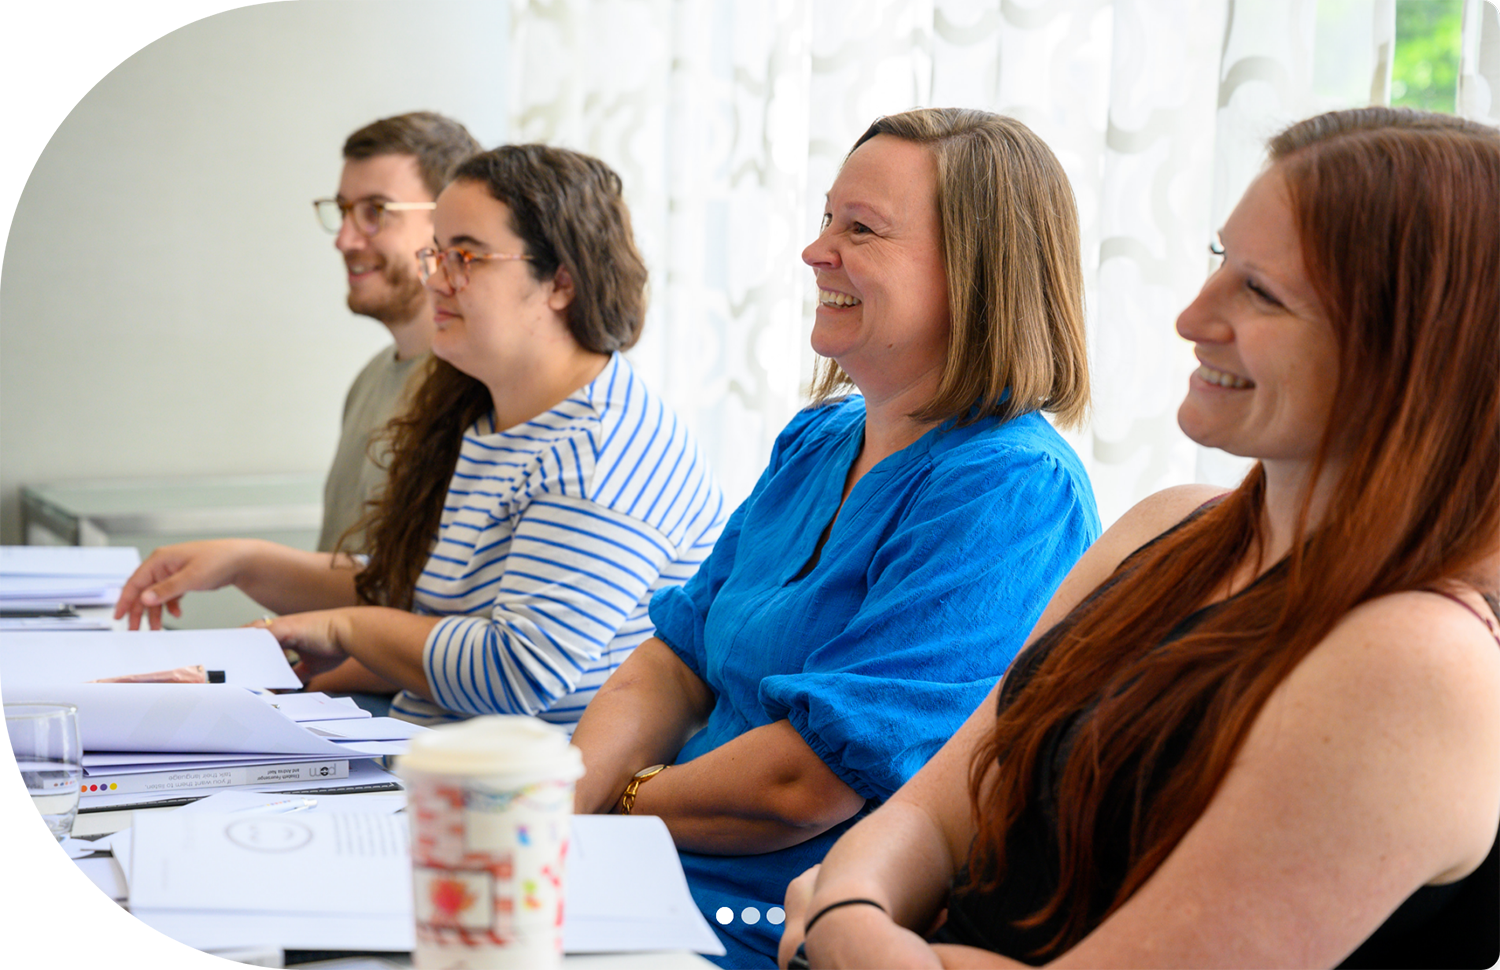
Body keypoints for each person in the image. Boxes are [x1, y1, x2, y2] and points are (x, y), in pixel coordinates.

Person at [777, 107, 1500, 970]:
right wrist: (858, 911)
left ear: (1416, 348)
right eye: (1220, 263)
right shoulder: (1170, 525)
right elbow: (940, 805)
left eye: (1261, 291)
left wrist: (849, 931)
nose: (1192, 317)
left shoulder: (1422, 660)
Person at [569, 108, 1100, 970]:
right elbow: (674, 659)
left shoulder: (1010, 489)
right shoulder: (818, 439)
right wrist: (554, 807)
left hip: (762, 929)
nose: (817, 251)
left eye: (861, 228)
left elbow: (804, 786)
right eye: (826, 219)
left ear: (977, 273)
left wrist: (612, 805)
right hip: (628, 874)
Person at [114, 144, 726, 729]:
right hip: (434, 755)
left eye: (466, 256)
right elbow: (419, 589)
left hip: (522, 798)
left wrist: (344, 629)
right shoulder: (494, 414)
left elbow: (516, 671)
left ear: (560, 283)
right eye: (437, 253)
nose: (434, 279)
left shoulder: (601, 450)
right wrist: (248, 561)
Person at [315, 111, 481, 556]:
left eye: (376, 212)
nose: (345, 240)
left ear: (448, 222)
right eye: (345, 212)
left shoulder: (476, 393)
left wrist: (246, 563)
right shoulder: (369, 380)